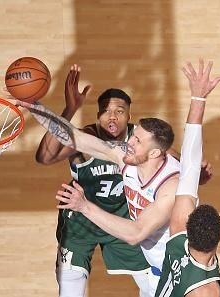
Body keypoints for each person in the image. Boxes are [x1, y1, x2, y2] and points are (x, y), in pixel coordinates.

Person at [15, 59, 220, 296]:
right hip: (158, 270)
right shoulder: (127, 156)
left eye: (136, 140)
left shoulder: (170, 189)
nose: (128, 143)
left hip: (176, 277)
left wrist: (84, 206)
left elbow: (136, 233)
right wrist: (34, 106)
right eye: (133, 137)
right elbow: (74, 136)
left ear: (155, 153)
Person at [36, 65, 151, 297]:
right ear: (98, 117)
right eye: (106, 111)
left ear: (129, 116)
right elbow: (44, 157)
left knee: (154, 290)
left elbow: (169, 155)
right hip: (81, 224)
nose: (112, 116)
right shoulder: (85, 138)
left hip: (122, 221)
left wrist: (196, 168)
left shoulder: (140, 139)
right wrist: (69, 109)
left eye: (119, 111)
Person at [154, 62, 220, 297]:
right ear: (218, 241)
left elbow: (189, 165)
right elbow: (190, 166)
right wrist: (199, 98)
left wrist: (198, 98)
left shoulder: (178, 235)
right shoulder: (206, 291)